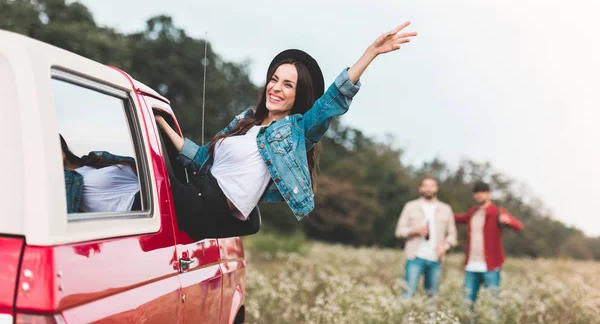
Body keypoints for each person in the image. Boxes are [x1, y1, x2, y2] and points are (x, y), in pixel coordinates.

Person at [155, 22, 418, 240]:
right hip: (200, 188)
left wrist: (370, 53)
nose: (277, 88)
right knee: (126, 170)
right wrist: (161, 123)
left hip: (211, 207)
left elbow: (332, 100)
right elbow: (201, 159)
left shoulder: (294, 133)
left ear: (298, 95)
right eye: (274, 80)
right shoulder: (244, 121)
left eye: (288, 85)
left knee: (150, 185)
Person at [454, 181, 524, 321]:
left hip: (490, 266)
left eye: (483, 193)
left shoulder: (497, 212)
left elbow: (518, 226)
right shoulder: (472, 212)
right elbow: (458, 218)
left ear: (489, 194)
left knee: (493, 304)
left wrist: (508, 221)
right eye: (477, 193)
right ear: (474, 195)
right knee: (468, 304)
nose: (480, 196)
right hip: (471, 266)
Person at [394, 174, 457, 299]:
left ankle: (429, 319)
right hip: (415, 257)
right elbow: (399, 230)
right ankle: (404, 318)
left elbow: (452, 234)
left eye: (431, 186)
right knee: (408, 293)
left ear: (436, 188)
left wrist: (445, 246)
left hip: (435, 259)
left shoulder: (446, 209)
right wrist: (414, 230)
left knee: (432, 296)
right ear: (420, 189)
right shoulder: (410, 206)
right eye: (425, 186)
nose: (428, 189)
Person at [60, 134, 140, 213]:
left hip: (148, 189)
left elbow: (142, 164)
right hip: (137, 209)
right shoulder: (63, 182)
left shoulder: (96, 157)